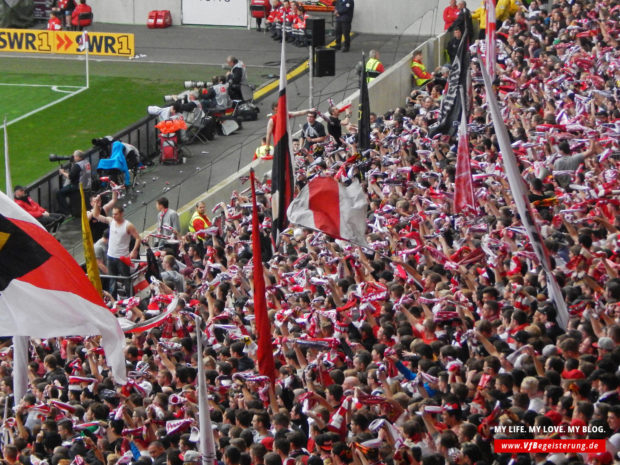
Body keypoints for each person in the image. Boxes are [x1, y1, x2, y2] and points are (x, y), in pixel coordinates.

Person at [92, 204, 142, 298]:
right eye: (113, 214)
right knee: (112, 280)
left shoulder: (128, 225)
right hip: (110, 256)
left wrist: (134, 251)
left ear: (121, 214)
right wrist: (96, 204)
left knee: (126, 279)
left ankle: (131, 298)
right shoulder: (111, 221)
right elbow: (96, 215)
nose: (114, 216)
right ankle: (113, 300)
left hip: (122, 257)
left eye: (116, 214)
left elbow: (138, 238)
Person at [56, 150, 91, 216]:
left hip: (78, 186)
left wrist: (63, 172)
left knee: (59, 193)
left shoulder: (78, 165)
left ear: (79, 157)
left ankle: (66, 212)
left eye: (75, 156)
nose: (73, 157)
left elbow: (70, 176)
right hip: (87, 184)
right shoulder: (86, 162)